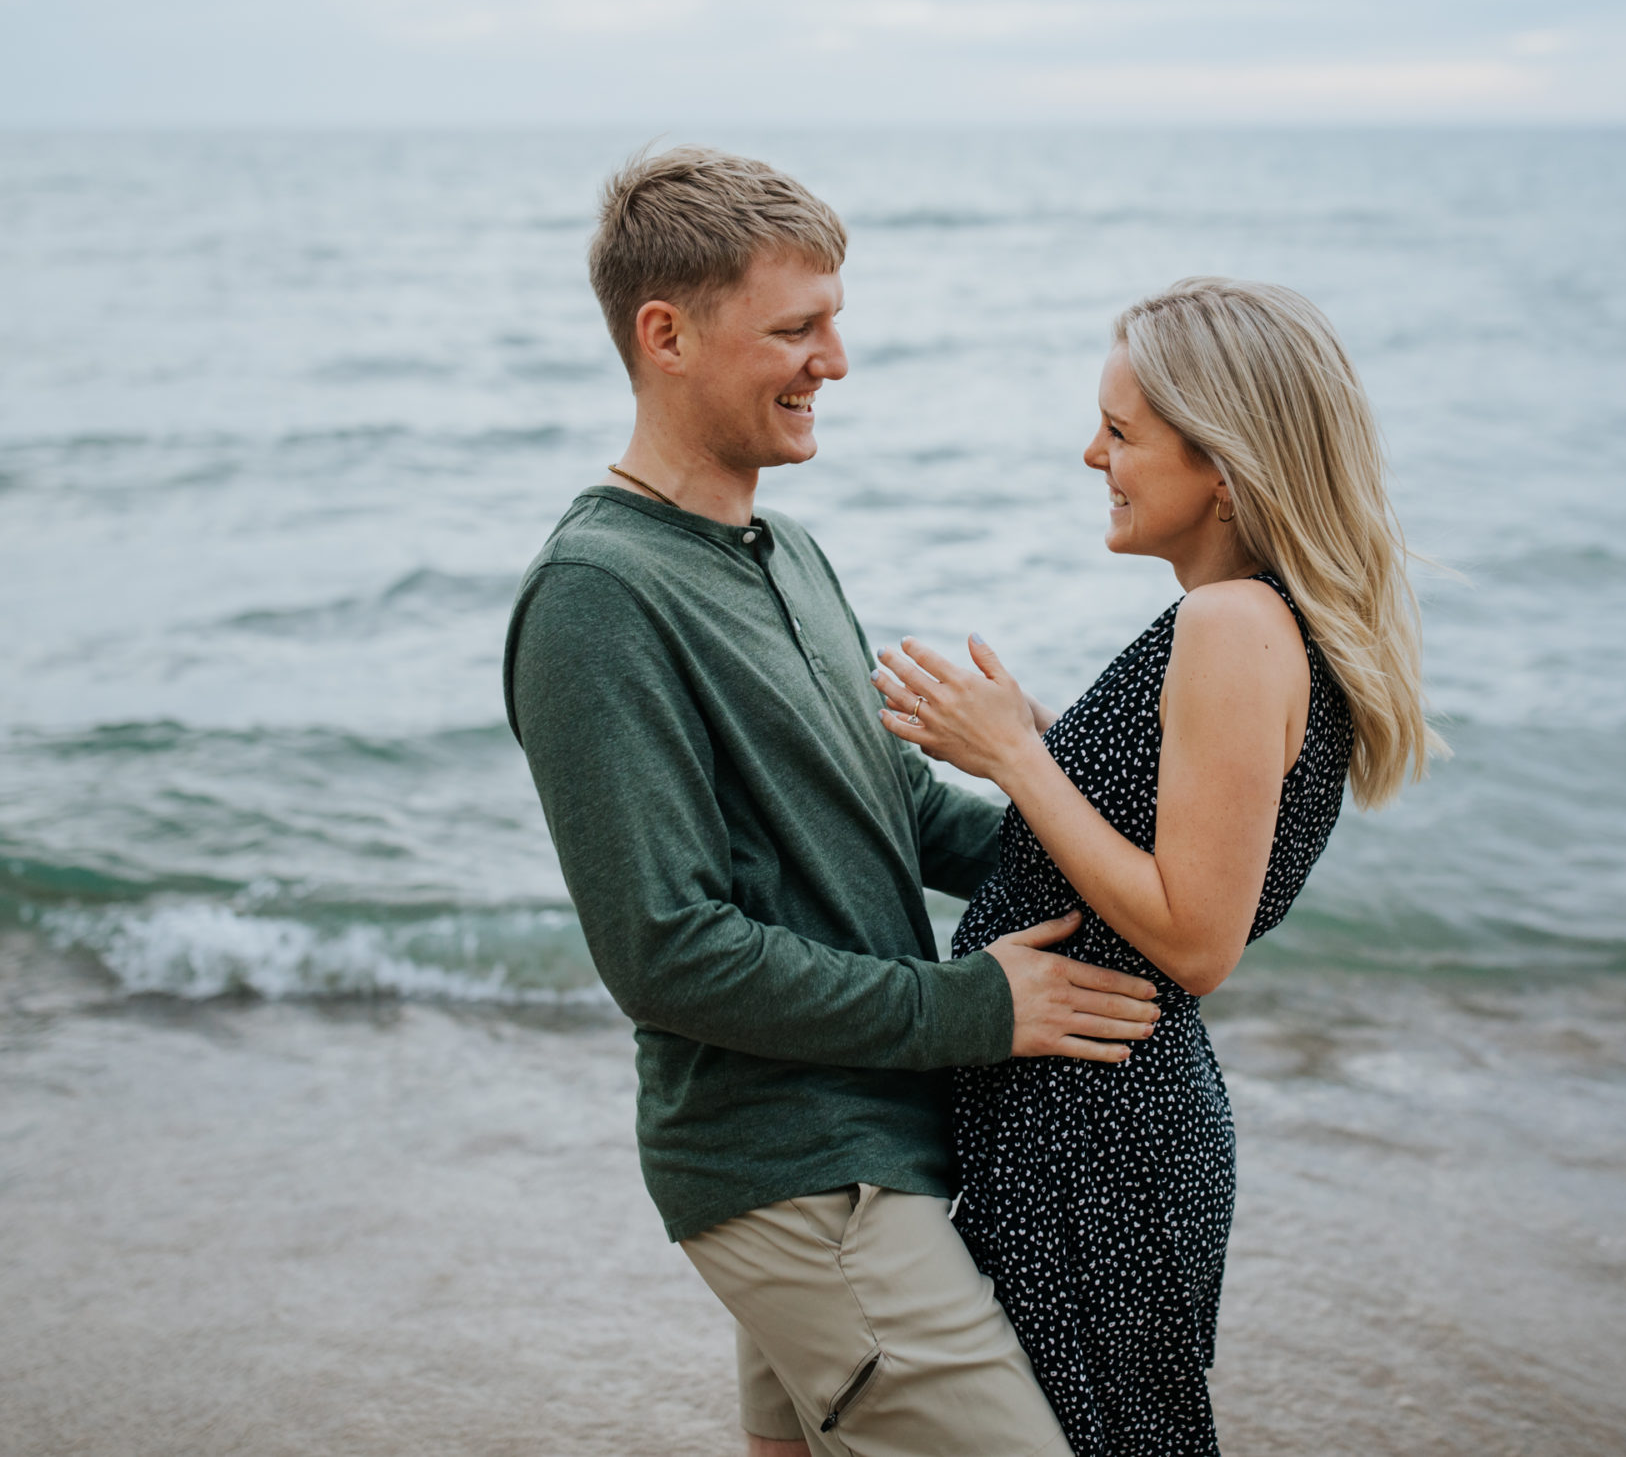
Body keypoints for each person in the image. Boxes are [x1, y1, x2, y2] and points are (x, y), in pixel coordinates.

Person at [503, 146, 1166, 1457]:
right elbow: (665, 950)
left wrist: (1103, 835)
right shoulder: (598, 595)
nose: (836, 363)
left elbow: (894, 812)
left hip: (870, 1141)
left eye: (837, 323)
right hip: (795, 1165)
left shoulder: (788, 550)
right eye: (797, 328)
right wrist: (969, 1008)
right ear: (667, 334)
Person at [868, 277, 1445, 1457]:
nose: (1092, 455)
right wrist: (1031, 738)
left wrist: (1019, 759)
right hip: (1082, 1116)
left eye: (1121, 431)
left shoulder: (1233, 626)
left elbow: (1194, 935)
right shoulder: (1256, 621)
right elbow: (1154, 838)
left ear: (1224, 463)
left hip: (1098, 1131)